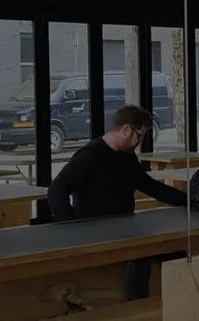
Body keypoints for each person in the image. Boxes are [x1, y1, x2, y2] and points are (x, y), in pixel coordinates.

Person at [47, 104, 187, 300]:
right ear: (126, 129)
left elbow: (152, 187)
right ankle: (138, 308)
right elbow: (56, 190)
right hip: (95, 232)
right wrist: (71, 229)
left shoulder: (128, 158)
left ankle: (182, 304)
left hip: (126, 230)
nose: (140, 141)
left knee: (177, 253)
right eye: (139, 135)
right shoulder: (89, 155)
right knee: (139, 258)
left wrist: (190, 200)